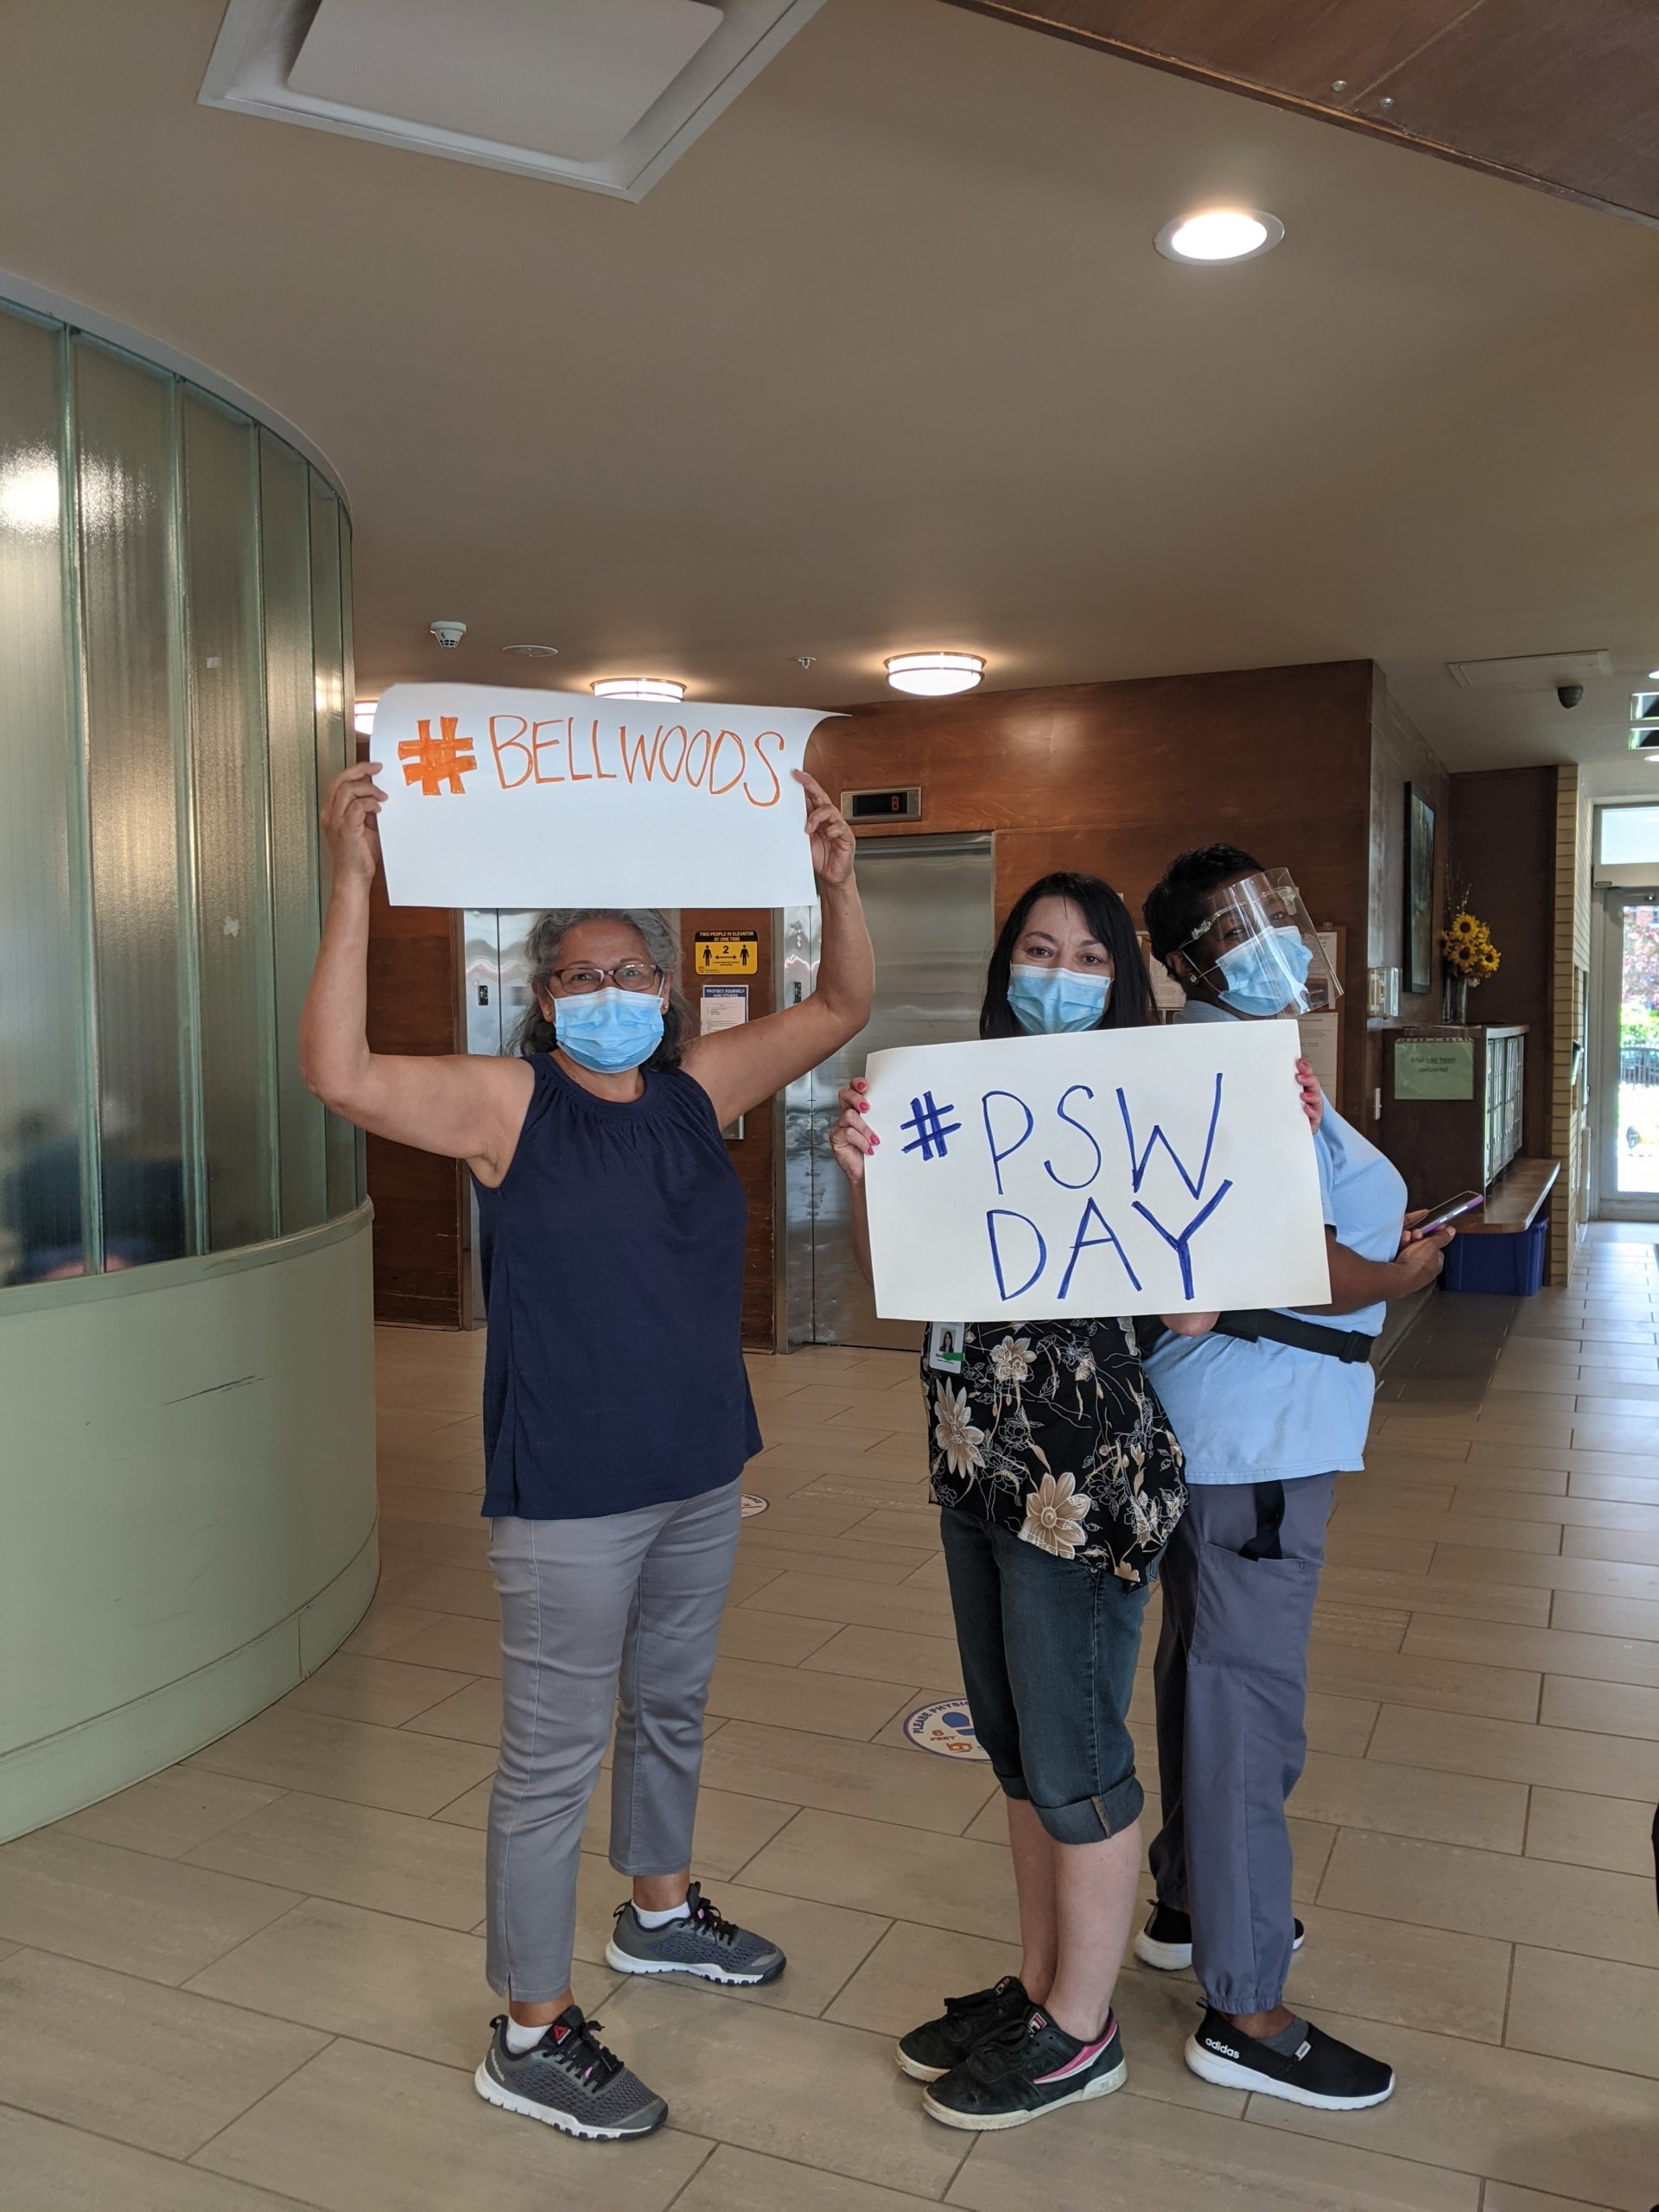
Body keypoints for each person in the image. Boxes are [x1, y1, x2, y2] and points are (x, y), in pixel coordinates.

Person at [299, 759, 873, 2143]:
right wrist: (349, 881)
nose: (606, 989)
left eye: (630, 969)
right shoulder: (510, 1106)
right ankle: (529, 2025)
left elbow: (844, 1004)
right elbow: (341, 1072)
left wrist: (838, 883)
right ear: (545, 998)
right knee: (553, 1757)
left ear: (667, 990)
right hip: (566, 1496)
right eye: (577, 973)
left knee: (671, 1709)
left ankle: (660, 1911)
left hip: (698, 1471)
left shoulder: (696, 1091)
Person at [830, 870, 1318, 2133]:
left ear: (1127, 982)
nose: (1060, 973)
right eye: (1039, 950)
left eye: (1091, 957)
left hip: (1083, 1483)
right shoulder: (955, 1101)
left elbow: (1194, 1307)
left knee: (1079, 1760)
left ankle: (1080, 2034)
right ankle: (1044, 1982)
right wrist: (864, 1175)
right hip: (972, 1462)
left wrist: (1268, 1137)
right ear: (1006, 968)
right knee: (1017, 1754)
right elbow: (906, 1287)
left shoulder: (1157, 1107)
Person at [1136, 844, 1452, 2112]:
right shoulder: (1226, 1061)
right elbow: (1286, 1250)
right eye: (1236, 924)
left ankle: (1189, 1901)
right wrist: (1406, 1276)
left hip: (1227, 1430)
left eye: (1279, 908)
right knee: (1246, 1705)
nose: (1275, 937)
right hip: (1254, 1441)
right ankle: (1246, 2005)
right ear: (1183, 961)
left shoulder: (1252, 1051)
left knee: (1199, 1671)